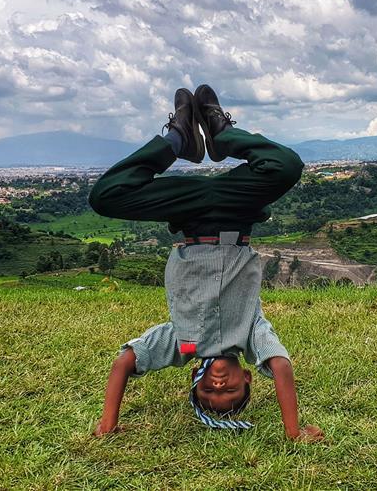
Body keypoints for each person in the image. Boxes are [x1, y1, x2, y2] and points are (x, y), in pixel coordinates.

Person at [88, 84, 323, 441]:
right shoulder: (251, 336)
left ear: (195, 382)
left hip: (189, 217)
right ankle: (222, 133)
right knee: (287, 166)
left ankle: (177, 139)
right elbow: (281, 365)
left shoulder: (182, 344)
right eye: (229, 392)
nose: (218, 385)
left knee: (104, 197)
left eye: (208, 392)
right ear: (246, 379)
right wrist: (294, 432)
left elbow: (124, 362)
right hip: (235, 211)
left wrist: (108, 425)